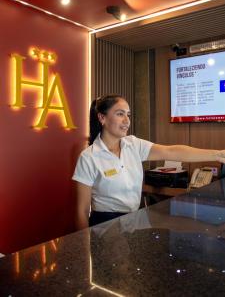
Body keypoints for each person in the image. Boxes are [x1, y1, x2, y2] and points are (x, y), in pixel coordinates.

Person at [72, 94, 225, 230]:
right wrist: (85, 250)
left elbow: (171, 151)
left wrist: (218, 155)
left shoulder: (133, 144)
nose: (127, 121)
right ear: (102, 118)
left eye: (128, 115)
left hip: (133, 220)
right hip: (104, 226)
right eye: (120, 114)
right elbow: (82, 211)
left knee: (170, 222)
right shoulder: (88, 157)